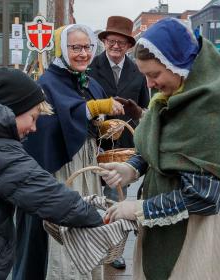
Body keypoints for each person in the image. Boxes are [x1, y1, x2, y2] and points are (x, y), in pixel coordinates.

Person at [98, 18, 220, 280]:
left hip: (207, 222)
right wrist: (132, 167)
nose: (149, 84)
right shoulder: (175, 91)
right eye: (145, 76)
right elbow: (160, 142)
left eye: (154, 74)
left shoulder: (214, 106)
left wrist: (139, 209)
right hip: (171, 210)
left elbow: (203, 197)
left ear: (178, 64)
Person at [13, 24, 124, 280]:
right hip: (61, 168)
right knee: (65, 224)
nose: (83, 53)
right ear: (63, 49)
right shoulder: (46, 83)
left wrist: (102, 126)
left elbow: (89, 120)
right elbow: (46, 125)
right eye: (75, 47)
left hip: (86, 166)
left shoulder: (91, 82)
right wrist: (90, 109)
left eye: (87, 47)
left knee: (87, 221)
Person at [0, 67, 103, 280]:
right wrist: (100, 218)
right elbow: (45, 194)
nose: (34, 128)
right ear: (14, 111)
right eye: (33, 117)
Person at [89, 16, 149, 269]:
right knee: (92, 195)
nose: (116, 46)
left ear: (128, 46)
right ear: (104, 42)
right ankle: (91, 245)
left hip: (125, 146)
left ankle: (113, 250)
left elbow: (145, 106)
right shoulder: (90, 67)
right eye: (112, 41)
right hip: (95, 142)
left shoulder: (138, 71)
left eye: (121, 43)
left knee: (116, 197)